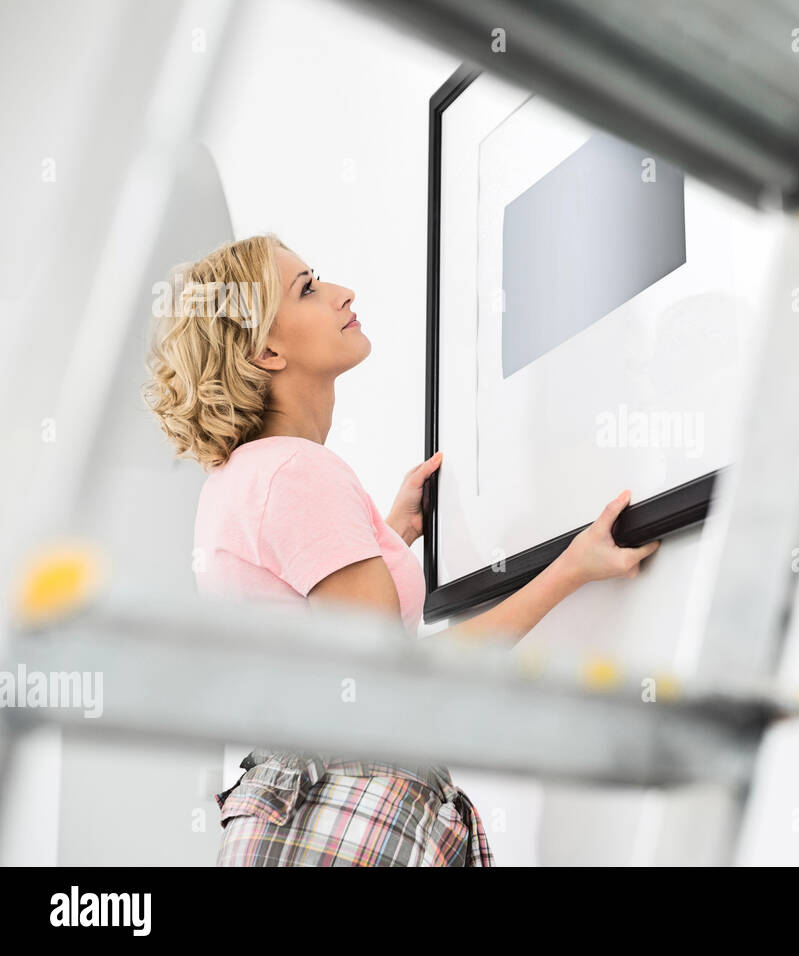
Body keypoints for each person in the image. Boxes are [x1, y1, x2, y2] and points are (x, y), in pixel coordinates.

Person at [142, 233, 660, 866]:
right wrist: (571, 568)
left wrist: (386, 533)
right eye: (307, 289)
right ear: (266, 348)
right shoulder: (299, 473)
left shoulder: (244, 477)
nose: (342, 293)